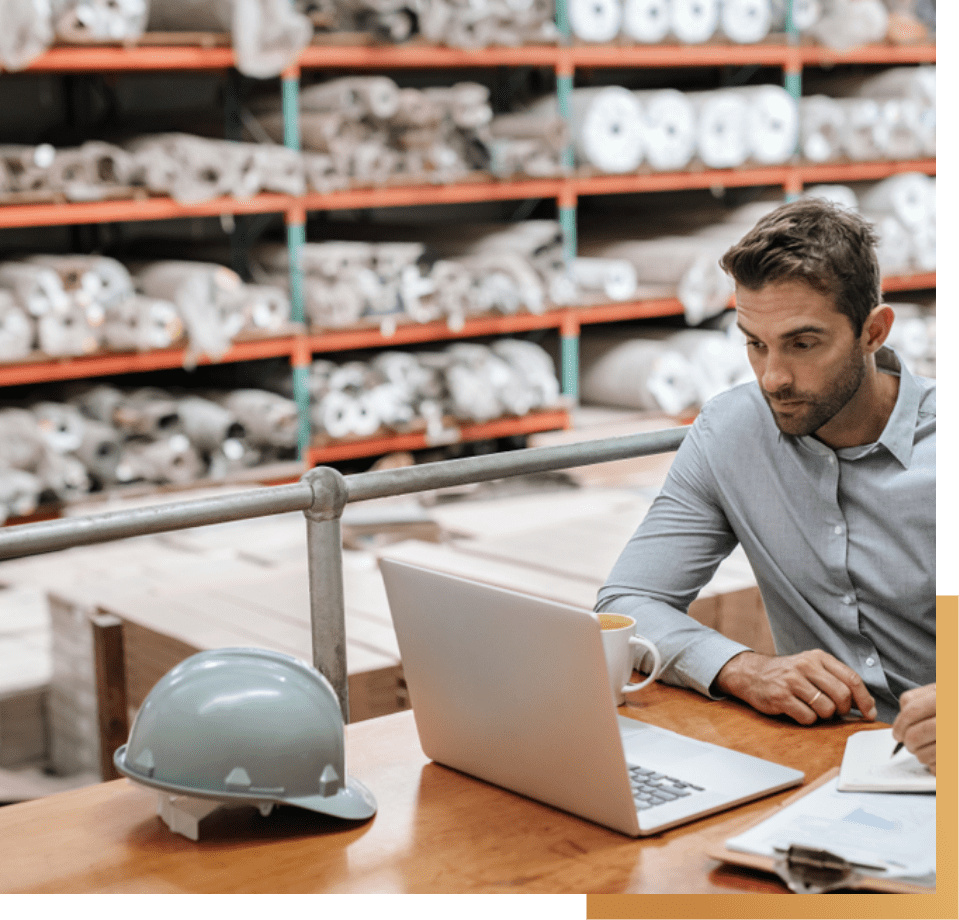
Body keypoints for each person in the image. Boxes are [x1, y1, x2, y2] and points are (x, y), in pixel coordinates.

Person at [596, 198, 935, 773]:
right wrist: (743, 669)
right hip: (817, 762)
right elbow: (627, 604)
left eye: (803, 344)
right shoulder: (730, 432)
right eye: (755, 343)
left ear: (873, 331)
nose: (773, 377)